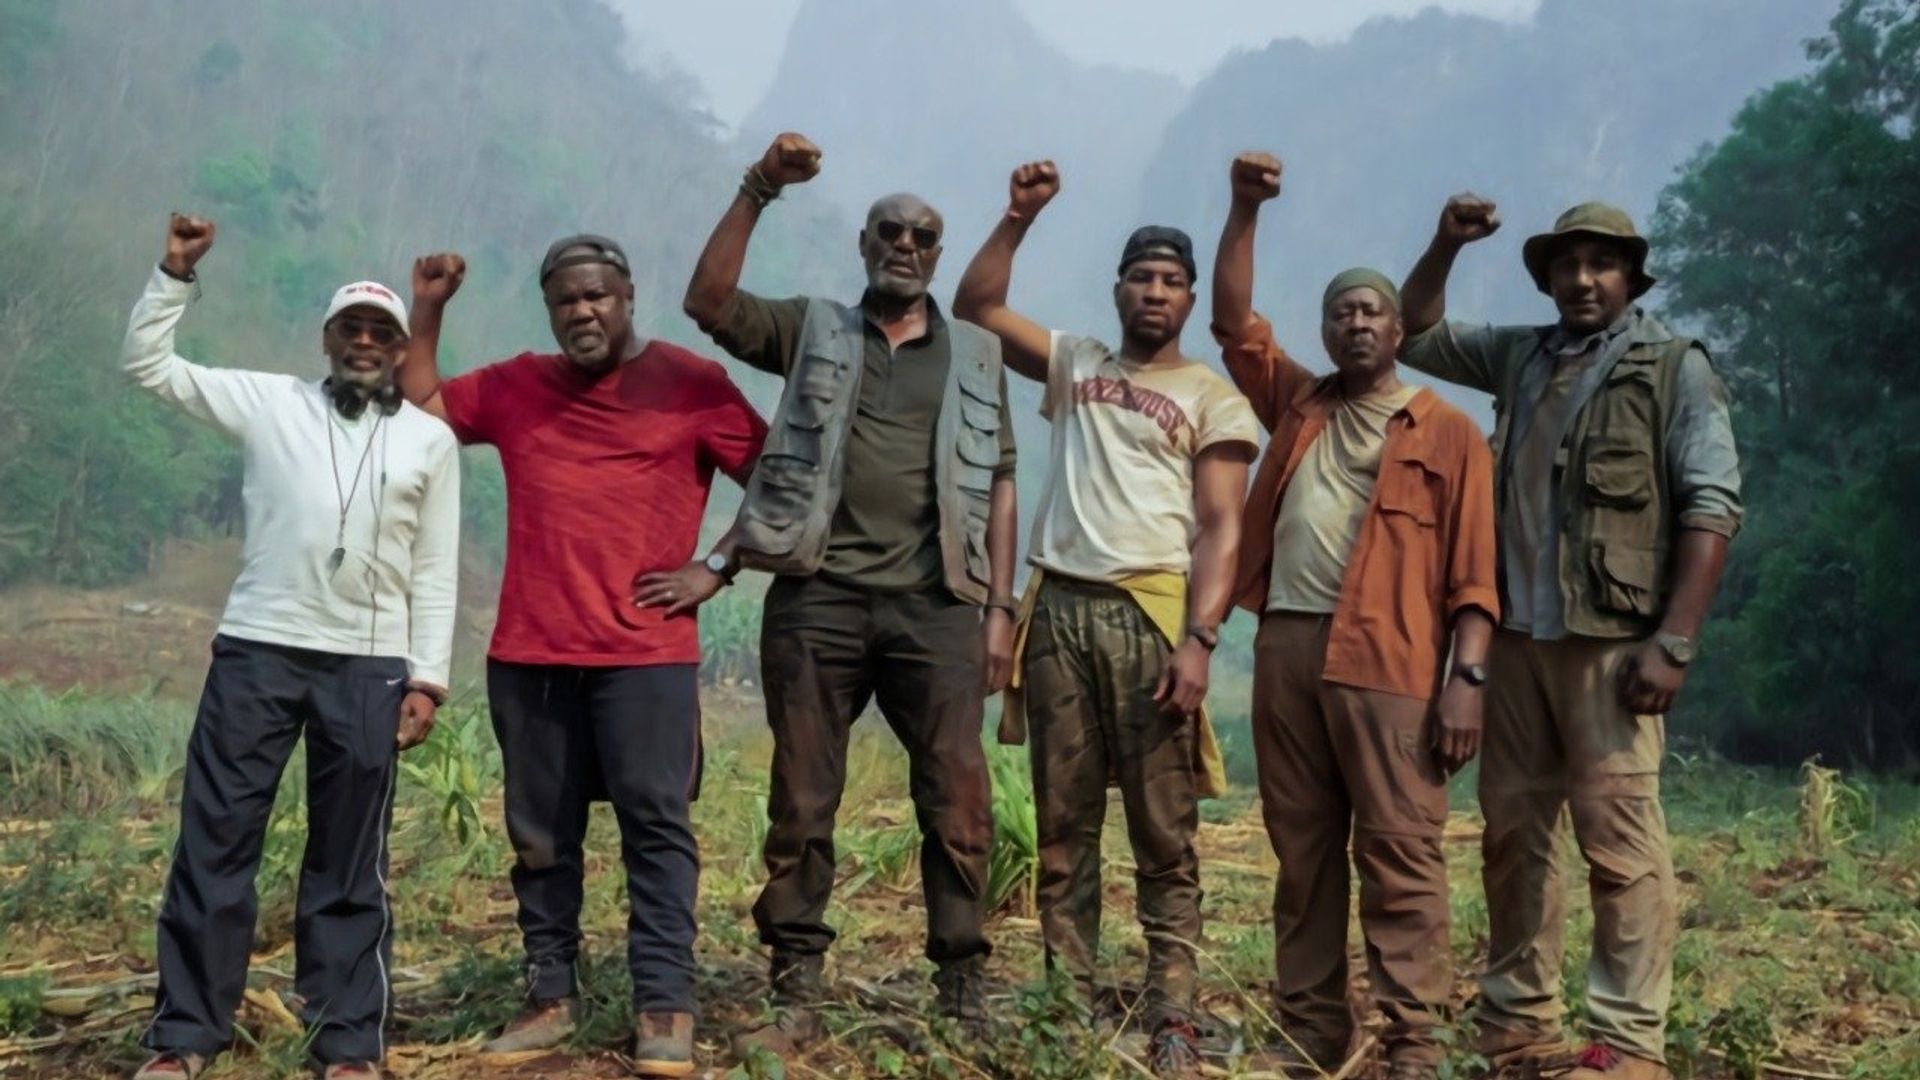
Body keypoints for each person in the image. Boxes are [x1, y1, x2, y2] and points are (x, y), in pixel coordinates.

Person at [396, 235, 767, 1078]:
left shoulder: (692, 384)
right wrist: (429, 307)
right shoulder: (519, 385)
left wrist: (717, 565)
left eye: (597, 295)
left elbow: (783, 478)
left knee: (656, 828)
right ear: (550, 309)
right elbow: (422, 405)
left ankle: (664, 1003)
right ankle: (550, 995)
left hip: (646, 654)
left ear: (628, 295)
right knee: (541, 836)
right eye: (566, 300)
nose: (583, 311)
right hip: (531, 653)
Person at [682, 132, 1019, 1057]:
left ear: (938, 256)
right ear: (863, 246)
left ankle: (961, 985)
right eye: (888, 232)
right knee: (802, 796)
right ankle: (795, 984)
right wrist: (759, 187)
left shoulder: (976, 355)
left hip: (938, 606)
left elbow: (1000, 482)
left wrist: (1000, 609)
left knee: (957, 797)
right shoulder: (814, 330)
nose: (905, 245)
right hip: (817, 598)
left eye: (922, 236)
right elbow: (708, 303)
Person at [1397, 195, 1742, 1080]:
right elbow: (1415, 332)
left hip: (1612, 646)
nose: (1583, 279)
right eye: (1566, 264)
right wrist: (1446, 242)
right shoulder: (1519, 355)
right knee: (1515, 838)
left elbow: (1711, 507)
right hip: (1516, 641)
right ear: (1547, 277)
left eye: (1602, 264)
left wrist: (1674, 642)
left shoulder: (1675, 367)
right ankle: (1520, 1023)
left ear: (1631, 277)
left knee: (1619, 844)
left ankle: (1627, 1043)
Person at [127, 214, 459, 1080]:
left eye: (380, 331)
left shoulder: (430, 441)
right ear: (326, 339)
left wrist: (428, 679)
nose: (364, 341)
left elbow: (435, 568)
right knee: (216, 842)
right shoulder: (272, 403)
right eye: (350, 327)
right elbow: (149, 367)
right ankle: (185, 1038)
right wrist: (174, 274)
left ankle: (345, 1045)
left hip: (370, 664)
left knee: (349, 861)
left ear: (399, 349)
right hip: (258, 650)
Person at [952, 160, 1256, 1075]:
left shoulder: (1212, 397)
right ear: (1117, 288)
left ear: (1190, 298)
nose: (1155, 293)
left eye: (1172, 281)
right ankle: (1066, 1006)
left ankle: (1174, 1013)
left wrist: (1200, 639)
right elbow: (976, 306)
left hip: (1150, 614)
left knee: (1164, 831)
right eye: (1141, 278)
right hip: (1059, 613)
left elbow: (1222, 528)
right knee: (1065, 825)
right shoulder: (1077, 361)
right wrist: (1018, 216)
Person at [1210, 153, 1499, 1080]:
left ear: (1399, 328)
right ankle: (1310, 1037)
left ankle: (1414, 1042)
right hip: (1288, 644)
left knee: (1400, 847)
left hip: (1393, 658)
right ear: (1326, 330)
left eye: (1373, 310)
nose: (1358, 323)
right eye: (1342, 312)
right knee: (1302, 851)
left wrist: (1466, 681)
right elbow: (1233, 323)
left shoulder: (1448, 431)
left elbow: (1476, 577)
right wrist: (1244, 209)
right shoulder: (1300, 404)